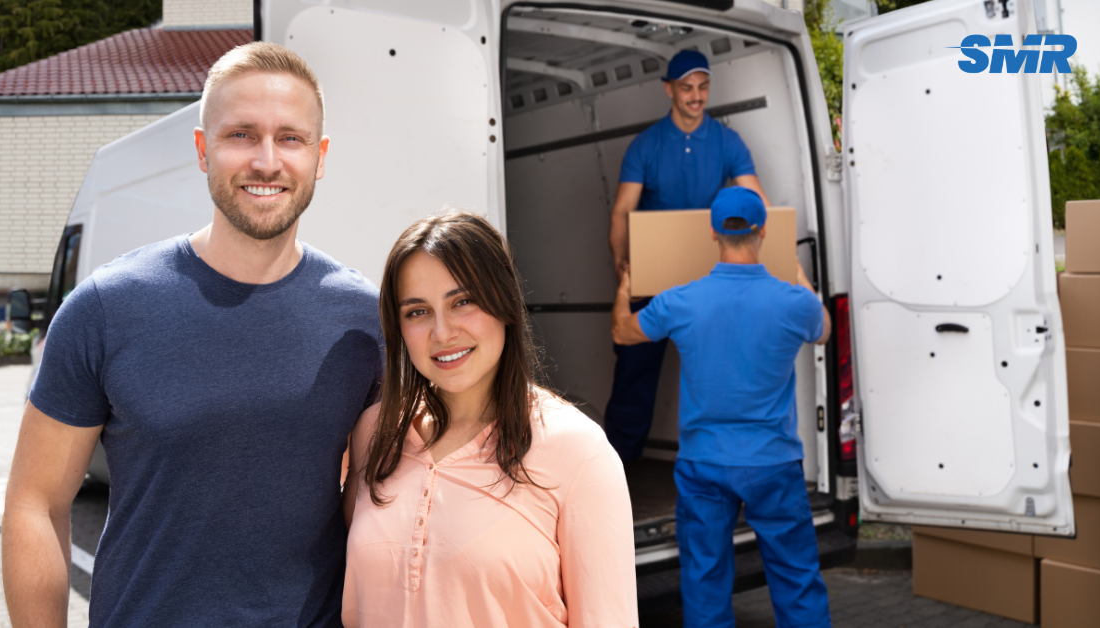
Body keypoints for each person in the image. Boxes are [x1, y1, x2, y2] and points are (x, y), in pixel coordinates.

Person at [2, 42, 382, 627]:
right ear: (203, 150)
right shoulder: (106, 307)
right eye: (241, 135)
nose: (266, 160)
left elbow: (375, 509)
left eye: (291, 138)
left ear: (320, 156)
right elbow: (36, 503)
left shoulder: (363, 319)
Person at [341, 212, 637, 628]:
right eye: (417, 312)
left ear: (504, 302)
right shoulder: (374, 431)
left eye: (463, 302)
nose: (442, 333)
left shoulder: (578, 451)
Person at [611, 186, 832, 628]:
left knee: (705, 579)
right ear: (763, 230)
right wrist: (799, 275)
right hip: (774, 463)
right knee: (796, 578)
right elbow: (824, 329)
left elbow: (623, 333)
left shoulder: (681, 300)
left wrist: (626, 286)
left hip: (704, 465)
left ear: (713, 233)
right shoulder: (794, 303)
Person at [605, 48, 771, 462]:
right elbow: (623, 210)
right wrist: (621, 263)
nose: (696, 96)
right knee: (635, 374)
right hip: (655, 276)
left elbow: (757, 201)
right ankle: (616, 470)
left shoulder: (727, 141)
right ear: (669, 90)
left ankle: (731, 466)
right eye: (686, 88)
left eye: (703, 86)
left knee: (721, 375)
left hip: (708, 276)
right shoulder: (646, 145)